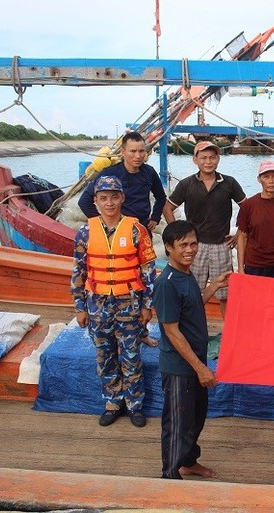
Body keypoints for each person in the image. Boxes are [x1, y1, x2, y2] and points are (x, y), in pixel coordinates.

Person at [71, 176, 157, 428]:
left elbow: (149, 271)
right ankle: (112, 401)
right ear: (95, 201)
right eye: (103, 198)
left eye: (114, 197)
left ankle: (134, 405)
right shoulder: (85, 232)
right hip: (97, 303)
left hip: (128, 302)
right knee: (105, 354)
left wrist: (147, 305)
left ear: (122, 198)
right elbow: (78, 271)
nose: (109, 203)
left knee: (131, 355)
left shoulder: (136, 231)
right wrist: (79, 306)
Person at [154, 220, 230, 480]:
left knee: (195, 420)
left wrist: (215, 285)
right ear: (168, 248)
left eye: (194, 243)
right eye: (183, 245)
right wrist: (200, 368)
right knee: (178, 425)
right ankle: (170, 475)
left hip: (196, 363)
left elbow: (193, 304)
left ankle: (188, 462)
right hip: (180, 368)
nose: (190, 249)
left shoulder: (186, 274)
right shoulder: (167, 283)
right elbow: (172, 331)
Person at [78, 131, 166, 347]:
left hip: (139, 232)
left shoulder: (148, 173)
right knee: (115, 282)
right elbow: (85, 201)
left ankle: (141, 332)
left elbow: (161, 197)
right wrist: (102, 225)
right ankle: (111, 330)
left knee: (141, 281)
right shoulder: (111, 173)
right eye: (133, 151)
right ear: (123, 152)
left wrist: (154, 217)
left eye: (141, 151)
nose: (137, 155)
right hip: (115, 234)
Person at [163, 141, 246, 318]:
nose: (208, 162)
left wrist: (239, 233)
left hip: (221, 246)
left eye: (212, 158)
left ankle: (227, 334)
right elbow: (167, 208)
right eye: (203, 158)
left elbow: (246, 208)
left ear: (218, 159)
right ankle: (190, 328)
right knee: (191, 291)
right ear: (195, 160)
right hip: (194, 247)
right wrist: (176, 234)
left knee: (225, 295)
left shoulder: (229, 183)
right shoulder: (187, 184)